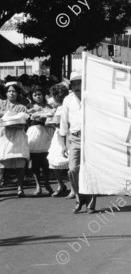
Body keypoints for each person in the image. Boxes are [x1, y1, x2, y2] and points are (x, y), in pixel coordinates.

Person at [60, 72, 96, 214]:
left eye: (79, 83)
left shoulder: (91, 97)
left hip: (90, 138)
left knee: (90, 170)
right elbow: (63, 122)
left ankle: (90, 204)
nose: (76, 86)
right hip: (74, 138)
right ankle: (79, 198)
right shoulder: (68, 100)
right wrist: (63, 144)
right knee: (73, 169)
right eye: (74, 84)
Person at [0, 82, 31, 197]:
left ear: (18, 93)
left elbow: (24, 121)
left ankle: (20, 188)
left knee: (20, 163)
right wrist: (8, 113)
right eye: (9, 91)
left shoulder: (22, 107)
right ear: (6, 93)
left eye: (14, 91)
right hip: (3, 135)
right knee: (1, 163)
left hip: (17, 135)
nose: (12, 93)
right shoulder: (1, 103)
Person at [26, 85, 55, 195]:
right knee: (36, 162)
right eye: (35, 95)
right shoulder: (30, 106)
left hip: (47, 133)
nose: (38, 96)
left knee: (46, 162)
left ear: (43, 95)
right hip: (34, 134)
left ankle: (47, 183)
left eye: (39, 94)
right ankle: (38, 185)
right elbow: (26, 118)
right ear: (32, 96)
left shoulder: (49, 106)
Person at [47, 83, 71, 197]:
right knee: (53, 161)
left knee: (70, 161)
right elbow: (55, 122)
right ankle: (61, 184)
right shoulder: (57, 107)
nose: (58, 98)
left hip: (68, 134)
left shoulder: (69, 105)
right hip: (58, 135)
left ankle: (74, 188)